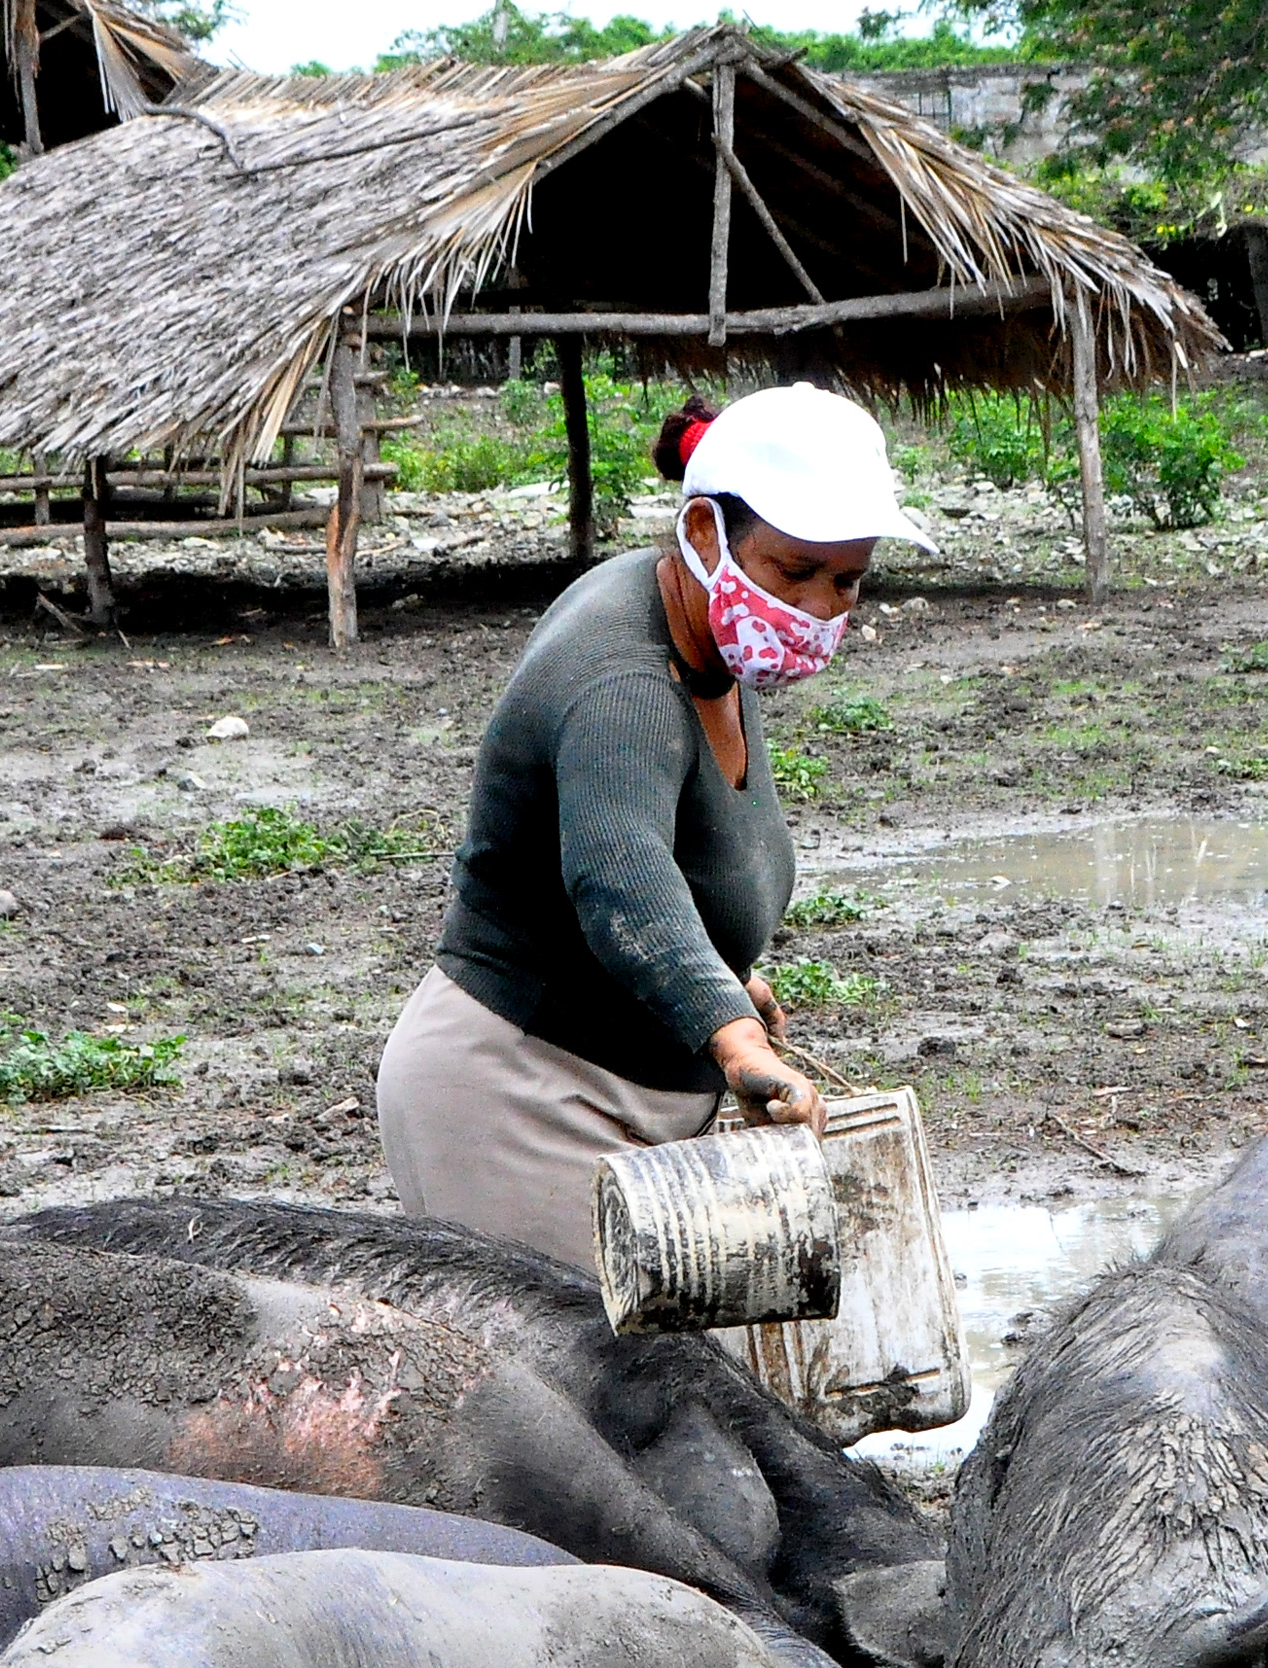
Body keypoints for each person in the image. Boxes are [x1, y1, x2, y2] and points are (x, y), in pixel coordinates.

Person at [376, 383, 930, 1273]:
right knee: (583, 1359)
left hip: (634, 1093)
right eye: (796, 572)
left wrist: (721, 978)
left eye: (847, 579)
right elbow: (620, 876)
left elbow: (671, 852)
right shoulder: (625, 682)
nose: (822, 607)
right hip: (524, 1097)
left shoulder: (708, 630)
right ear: (706, 533)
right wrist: (732, 1036)